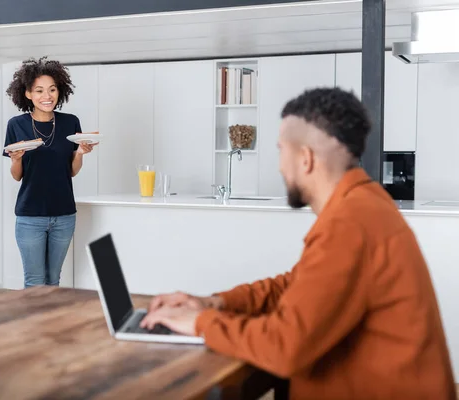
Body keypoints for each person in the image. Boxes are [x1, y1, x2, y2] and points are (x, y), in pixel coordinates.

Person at [141, 88, 456, 399]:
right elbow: (298, 284)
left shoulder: (350, 223)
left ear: (305, 158)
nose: (279, 165)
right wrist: (216, 303)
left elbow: (284, 347)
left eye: (281, 150)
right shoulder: (363, 204)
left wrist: (199, 322)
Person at [3, 57, 95, 288]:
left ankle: (51, 325)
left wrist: (80, 153)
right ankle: (33, 324)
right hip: (30, 216)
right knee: (34, 282)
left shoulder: (70, 122)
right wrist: (16, 159)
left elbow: (71, 172)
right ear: (27, 94)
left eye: (52, 89)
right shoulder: (16, 124)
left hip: (64, 214)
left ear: (59, 91)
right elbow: (17, 175)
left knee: (53, 280)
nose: (47, 96)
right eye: (40, 90)